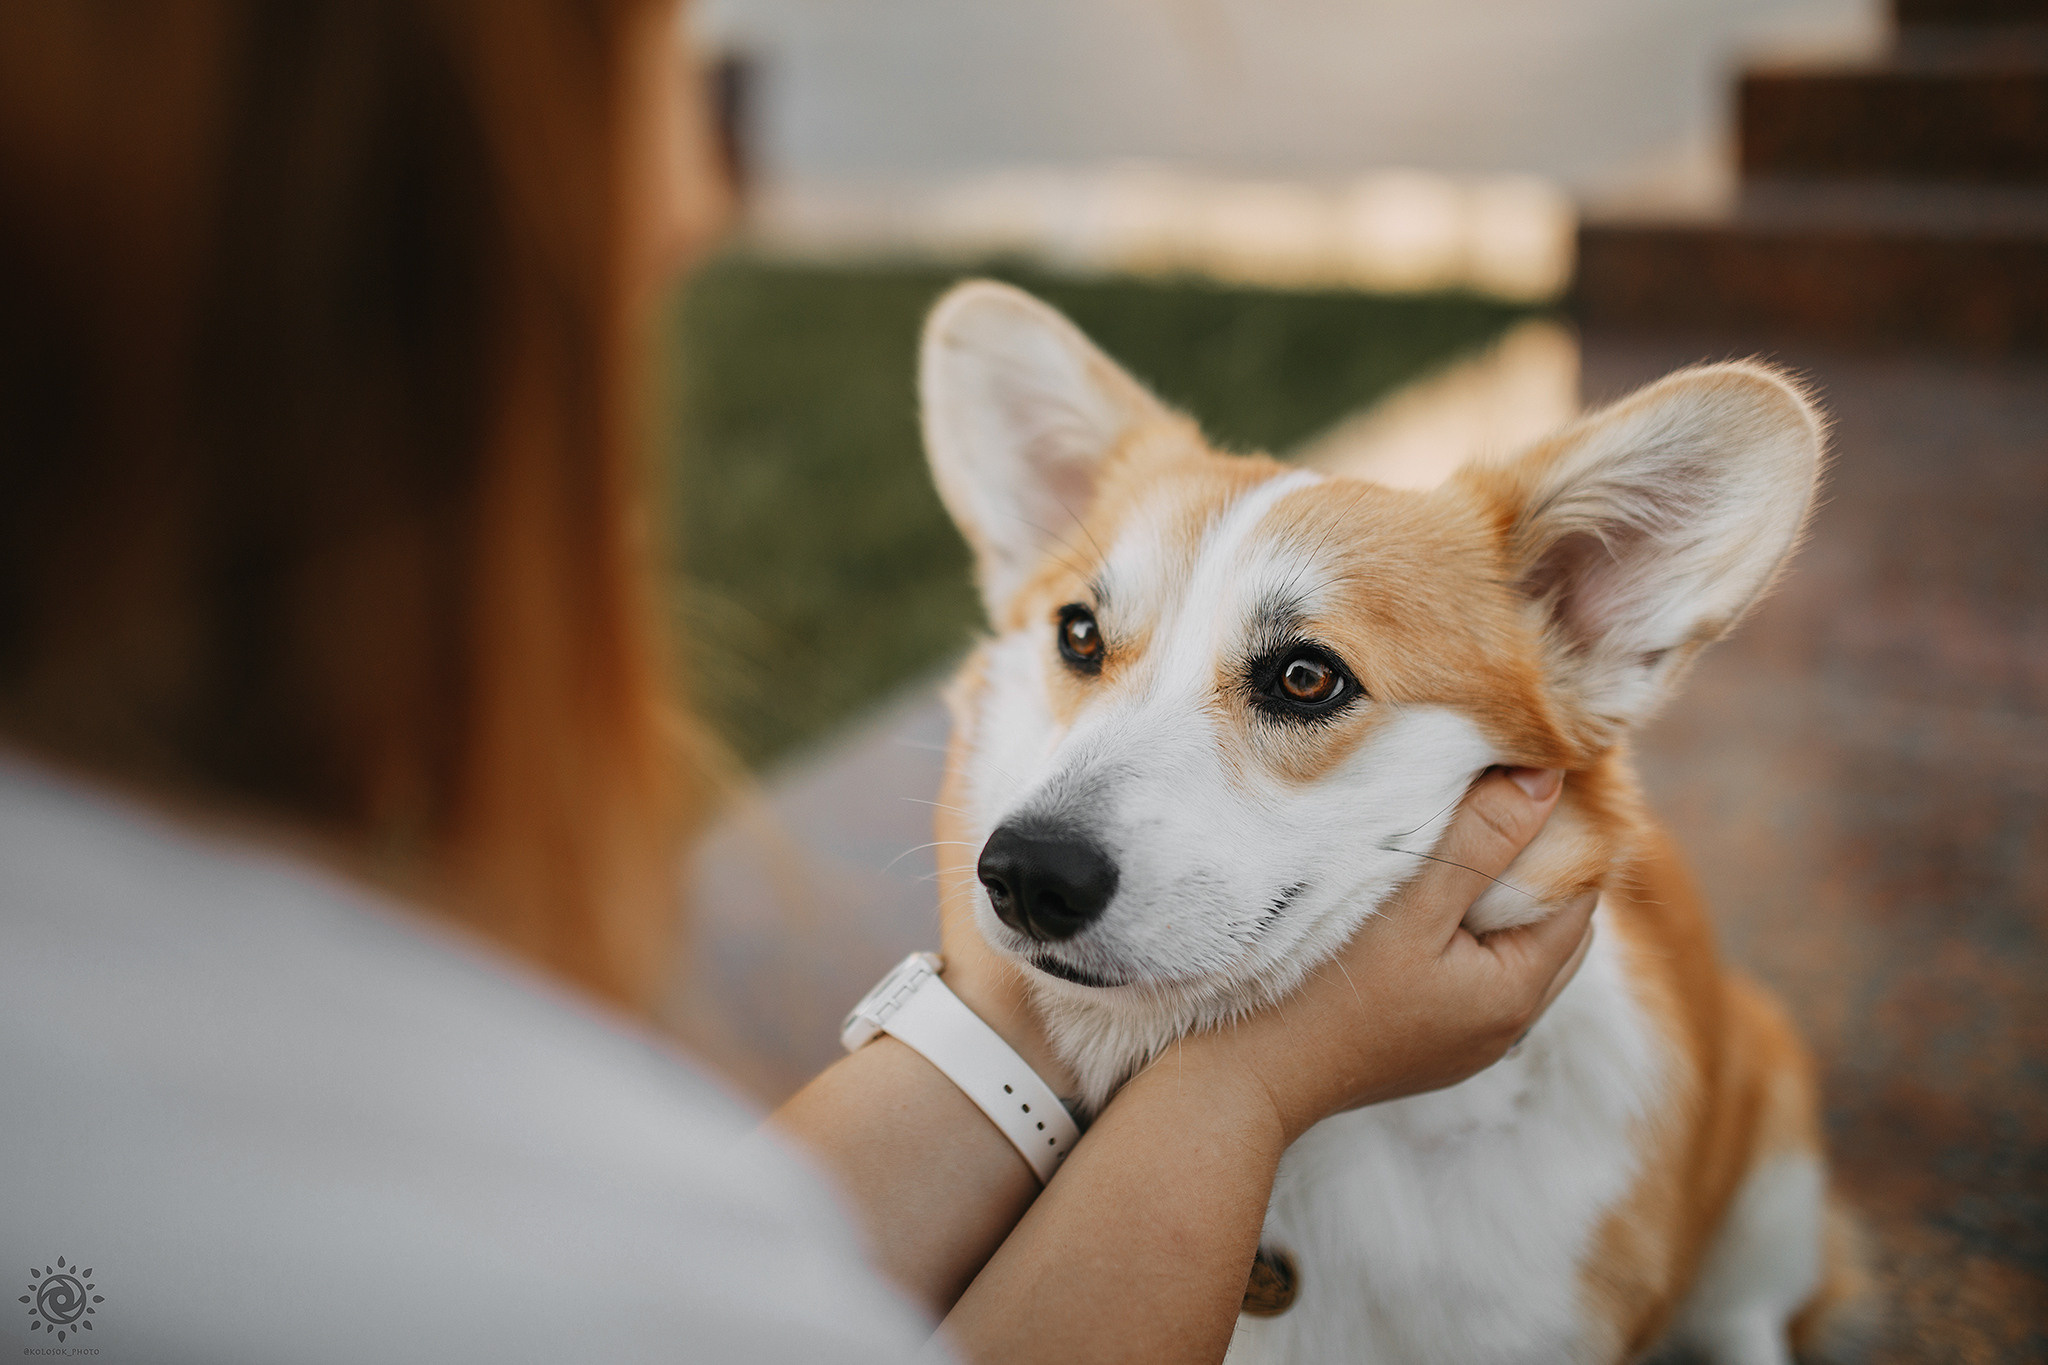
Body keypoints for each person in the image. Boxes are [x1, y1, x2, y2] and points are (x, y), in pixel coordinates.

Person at [0, 4, 1597, 1362]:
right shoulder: (541, 1246)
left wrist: (1007, 1009)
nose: (699, 192)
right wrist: (1246, 1089)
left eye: (1301, 679)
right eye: (665, 57)